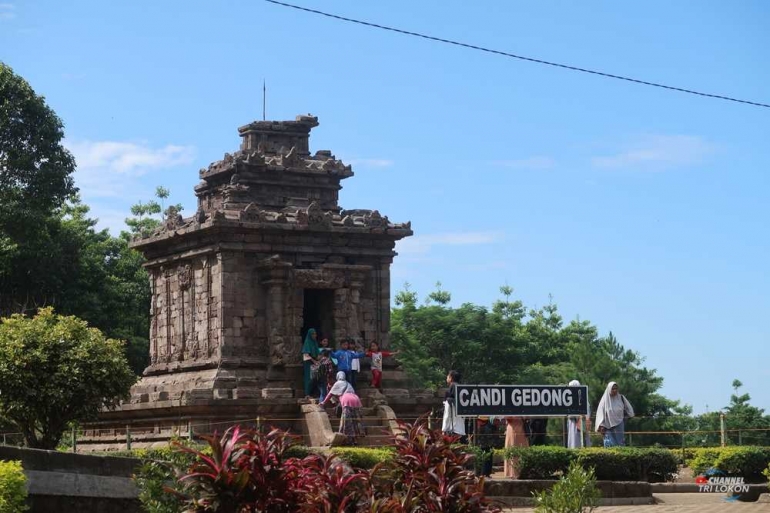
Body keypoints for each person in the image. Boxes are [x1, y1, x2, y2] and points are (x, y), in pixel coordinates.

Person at [320, 371, 364, 445]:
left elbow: (329, 395)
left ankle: (347, 440)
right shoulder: (348, 383)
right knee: (355, 421)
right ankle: (356, 439)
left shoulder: (338, 383)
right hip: (356, 400)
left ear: (338, 377)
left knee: (346, 422)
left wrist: (323, 403)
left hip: (347, 400)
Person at [595, 381, 634, 447]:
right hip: (607, 426)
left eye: (616, 388)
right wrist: (601, 425)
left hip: (619, 424)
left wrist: (628, 416)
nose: (615, 390)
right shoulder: (604, 400)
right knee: (609, 443)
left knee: (620, 443)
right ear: (609, 389)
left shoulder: (621, 398)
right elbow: (600, 413)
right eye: (613, 389)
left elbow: (629, 409)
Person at [441, 370, 467, 443]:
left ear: (451, 378)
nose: (446, 377)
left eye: (448, 376)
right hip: (461, 428)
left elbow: (447, 414)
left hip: (453, 429)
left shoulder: (451, 390)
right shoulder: (461, 389)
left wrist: (444, 429)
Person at [566, 379, 592, 448]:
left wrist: (576, 415)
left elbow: (586, 412)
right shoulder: (569, 400)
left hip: (580, 424)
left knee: (580, 443)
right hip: (572, 424)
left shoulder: (583, 399)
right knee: (572, 442)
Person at [301, 328, 320, 399]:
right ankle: (307, 393)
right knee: (308, 378)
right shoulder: (307, 342)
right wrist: (314, 361)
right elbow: (306, 354)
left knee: (315, 377)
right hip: (308, 362)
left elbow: (317, 353)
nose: (315, 335)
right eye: (313, 334)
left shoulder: (315, 343)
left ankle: (314, 393)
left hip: (315, 362)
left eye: (315, 333)